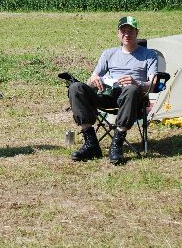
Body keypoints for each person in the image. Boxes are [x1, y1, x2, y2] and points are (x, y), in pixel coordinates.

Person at [67, 16, 158, 164]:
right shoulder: (108, 53)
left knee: (131, 89)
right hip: (107, 93)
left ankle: (117, 145)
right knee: (76, 88)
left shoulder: (149, 55)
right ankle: (91, 144)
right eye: (123, 31)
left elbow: (153, 84)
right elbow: (93, 78)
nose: (127, 34)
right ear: (118, 34)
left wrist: (138, 83)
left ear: (137, 32)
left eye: (131, 31)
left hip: (132, 96)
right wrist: (94, 79)